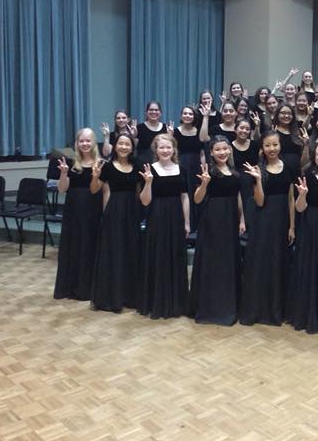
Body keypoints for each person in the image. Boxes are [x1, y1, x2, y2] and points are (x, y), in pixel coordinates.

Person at [240, 132, 295, 326]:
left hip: (282, 221)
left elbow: (291, 199)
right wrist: (257, 180)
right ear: (262, 148)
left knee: (279, 262)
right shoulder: (258, 169)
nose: (272, 149)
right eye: (267, 146)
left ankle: (277, 308)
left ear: (280, 146)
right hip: (263, 220)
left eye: (275, 145)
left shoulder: (288, 167)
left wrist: (292, 226)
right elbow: (259, 201)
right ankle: (259, 308)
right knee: (261, 262)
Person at [89, 134, 144, 313]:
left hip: (132, 212)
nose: (123, 147)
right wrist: (94, 177)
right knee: (114, 252)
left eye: (127, 144)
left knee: (130, 251)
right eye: (120, 143)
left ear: (132, 148)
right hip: (114, 211)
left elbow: (139, 191)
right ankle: (112, 296)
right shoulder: (108, 167)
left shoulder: (137, 166)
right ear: (115, 146)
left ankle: (130, 296)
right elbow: (94, 189)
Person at [193, 137, 245, 326]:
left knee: (228, 261)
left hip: (230, 220)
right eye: (218, 149)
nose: (222, 152)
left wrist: (242, 219)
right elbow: (197, 200)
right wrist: (205, 184)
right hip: (212, 220)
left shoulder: (234, 172)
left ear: (229, 150)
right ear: (212, 153)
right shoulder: (207, 172)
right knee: (212, 261)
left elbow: (237, 195)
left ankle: (227, 305)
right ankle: (210, 308)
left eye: (225, 148)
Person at [138, 135, 191, 319]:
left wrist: (186, 222)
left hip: (176, 217)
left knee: (175, 256)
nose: (166, 151)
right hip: (157, 217)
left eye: (169, 147)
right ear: (156, 150)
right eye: (162, 148)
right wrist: (148, 183)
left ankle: (177, 303)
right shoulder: (149, 170)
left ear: (174, 149)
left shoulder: (182, 170)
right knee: (158, 256)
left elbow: (185, 197)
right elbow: (145, 201)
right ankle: (157, 302)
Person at [53, 129, 102, 302]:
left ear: (94, 142)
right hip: (73, 210)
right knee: (72, 246)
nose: (85, 144)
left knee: (89, 246)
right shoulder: (71, 162)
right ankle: (69, 287)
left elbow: (100, 190)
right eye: (82, 141)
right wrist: (64, 173)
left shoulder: (101, 163)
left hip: (93, 210)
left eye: (88, 141)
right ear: (77, 143)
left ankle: (87, 289)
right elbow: (62, 189)